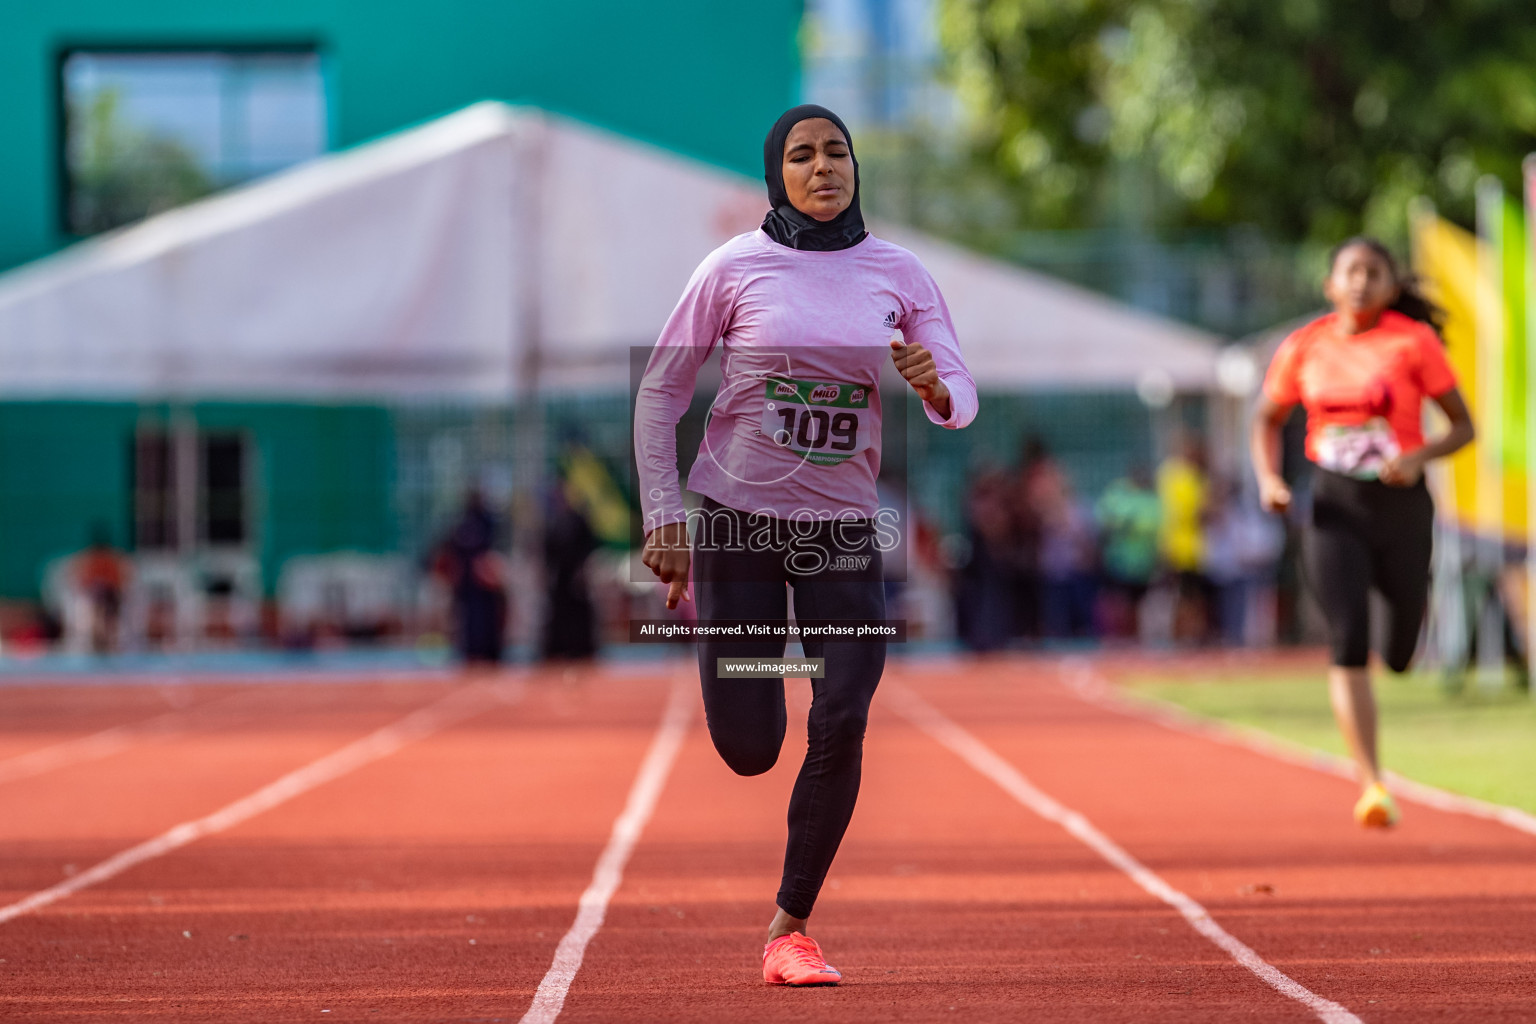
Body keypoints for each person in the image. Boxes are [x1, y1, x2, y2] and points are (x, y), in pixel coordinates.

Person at [635, 104, 976, 986]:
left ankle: (791, 927)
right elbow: (661, 395)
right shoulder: (734, 268)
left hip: (843, 532)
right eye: (801, 155)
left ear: (855, 166)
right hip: (738, 526)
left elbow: (961, 390)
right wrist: (664, 515)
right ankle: (751, 669)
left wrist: (936, 386)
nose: (823, 166)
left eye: (836, 151)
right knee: (751, 743)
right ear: (775, 175)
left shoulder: (899, 273)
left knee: (845, 707)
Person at [1251, 236, 1474, 828]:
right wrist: (1270, 480)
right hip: (1333, 505)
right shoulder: (1305, 346)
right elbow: (1267, 419)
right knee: (1347, 638)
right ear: (1330, 284)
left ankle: (1400, 629)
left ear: (1392, 286)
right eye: (1350, 271)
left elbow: (1463, 426)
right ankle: (1371, 783)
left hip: (1400, 504)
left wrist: (1421, 456)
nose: (1360, 282)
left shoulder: (1413, 342)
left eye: (1374, 272)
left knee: (1399, 654)